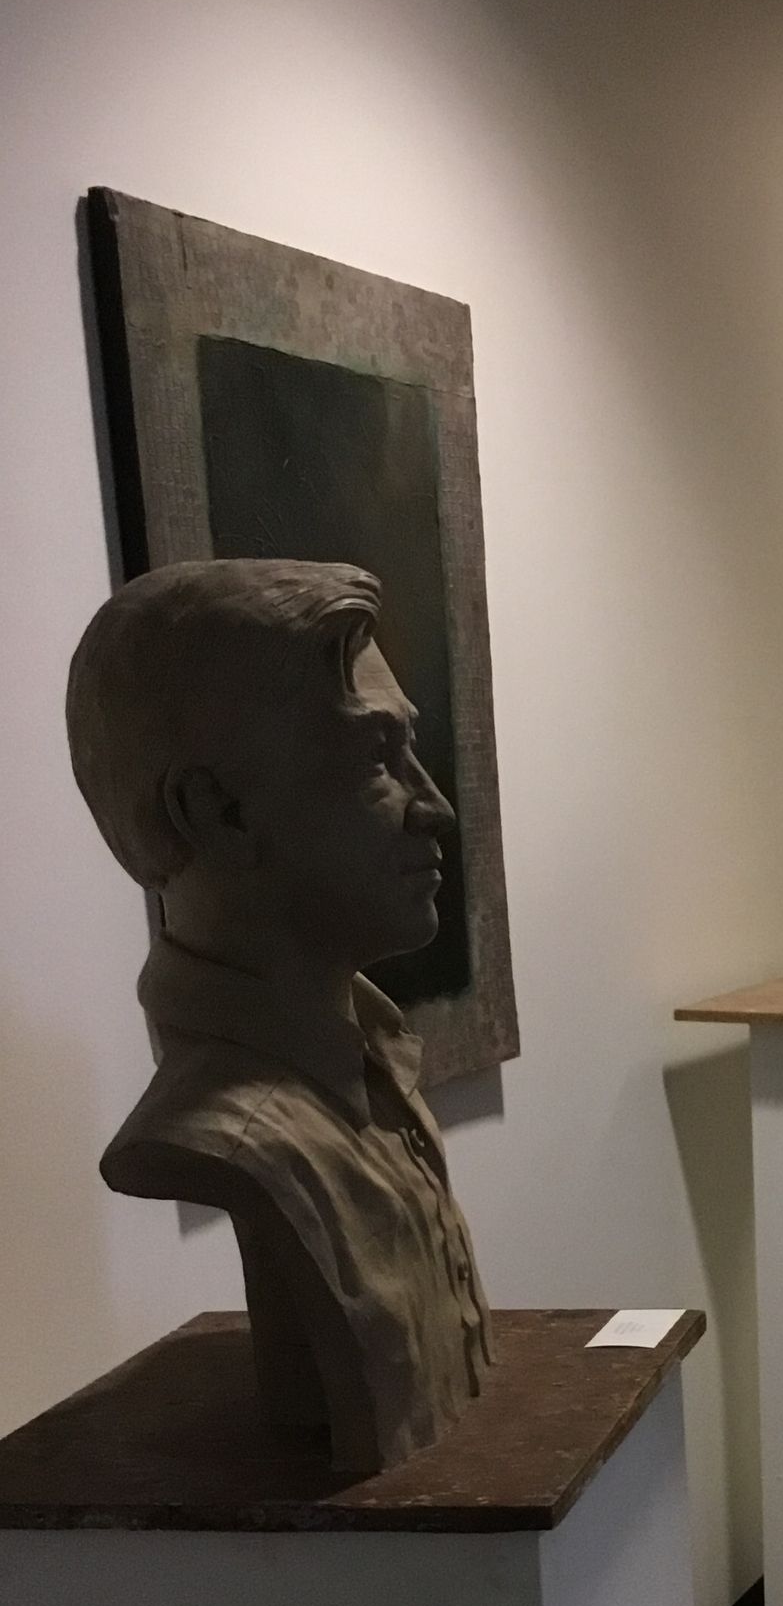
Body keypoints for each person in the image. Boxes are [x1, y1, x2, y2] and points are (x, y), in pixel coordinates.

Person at [66, 557, 492, 1476]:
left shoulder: (372, 1067)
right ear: (216, 813)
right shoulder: (225, 1132)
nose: (435, 807)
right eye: (377, 758)